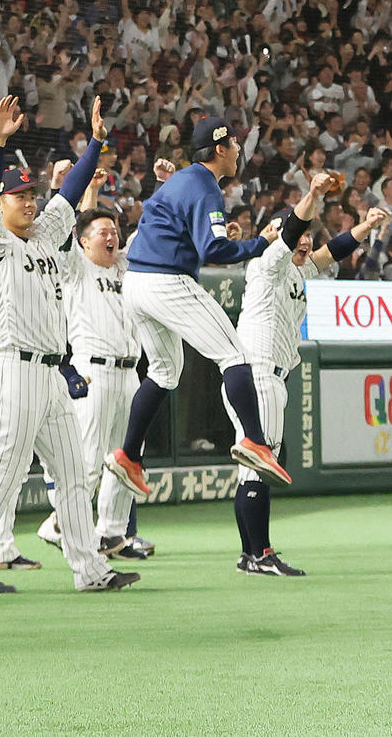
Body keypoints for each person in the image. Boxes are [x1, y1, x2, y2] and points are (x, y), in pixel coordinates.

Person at [0, 94, 138, 594]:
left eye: (32, 194)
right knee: (4, 474)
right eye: (20, 196)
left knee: (74, 475)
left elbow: (72, 188)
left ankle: (90, 570)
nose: (30, 201)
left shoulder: (44, 234)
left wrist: (96, 141)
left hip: (52, 374)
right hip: (12, 369)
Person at [105, 117, 289, 499]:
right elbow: (214, 252)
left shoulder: (184, 180)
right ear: (220, 149)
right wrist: (260, 242)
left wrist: (228, 237)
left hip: (136, 282)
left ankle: (128, 454)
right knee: (234, 354)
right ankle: (255, 440)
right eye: (235, 144)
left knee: (164, 372)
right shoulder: (204, 185)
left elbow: (187, 232)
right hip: (165, 280)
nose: (239, 150)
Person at [228, 180, 390, 576]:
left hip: (269, 377)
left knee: (252, 468)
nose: (304, 243)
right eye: (298, 236)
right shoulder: (266, 264)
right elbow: (291, 234)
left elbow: (330, 251)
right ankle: (260, 554)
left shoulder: (298, 272)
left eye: (307, 237)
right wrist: (314, 196)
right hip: (261, 374)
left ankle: (250, 554)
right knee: (260, 467)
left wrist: (365, 227)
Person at [35, 187, 154, 560]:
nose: (111, 237)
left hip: (129, 372)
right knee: (87, 462)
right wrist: (88, 191)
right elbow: (75, 224)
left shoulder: (124, 265)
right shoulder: (75, 266)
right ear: (84, 242)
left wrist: (163, 188)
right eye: (102, 233)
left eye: (114, 231)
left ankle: (112, 535)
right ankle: (57, 526)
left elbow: (151, 230)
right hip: (94, 371)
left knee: (126, 459)